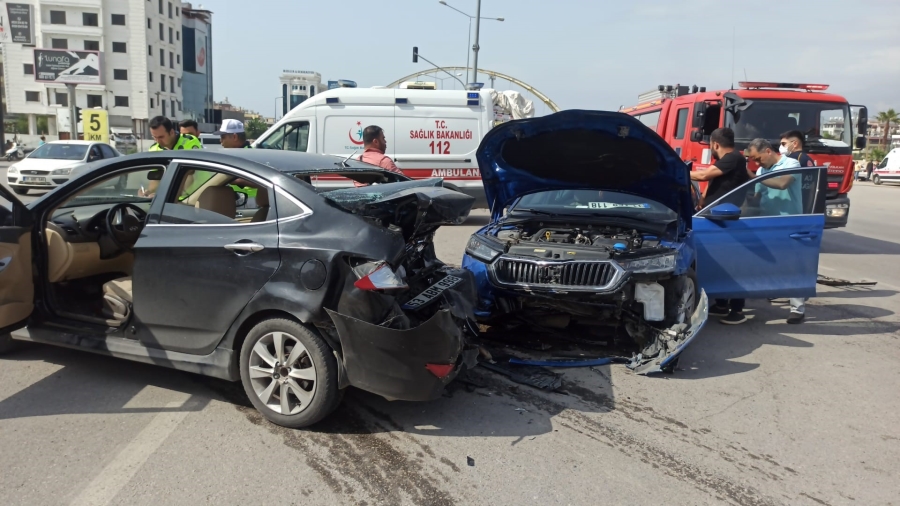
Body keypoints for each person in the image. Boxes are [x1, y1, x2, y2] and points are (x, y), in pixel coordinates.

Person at [690, 128, 751, 324]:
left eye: (711, 146)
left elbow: (703, 176)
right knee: (721, 262)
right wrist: (703, 200)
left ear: (715, 144)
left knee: (732, 263)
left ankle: (737, 308)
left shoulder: (734, 158)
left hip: (728, 219)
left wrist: (679, 170)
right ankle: (722, 303)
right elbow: (714, 181)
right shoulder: (727, 161)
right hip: (716, 218)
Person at [745, 138, 807, 324]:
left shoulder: (791, 163)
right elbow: (757, 197)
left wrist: (754, 177)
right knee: (769, 263)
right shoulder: (762, 170)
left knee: (793, 266)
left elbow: (782, 184)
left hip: (790, 223)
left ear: (768, 151)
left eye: (758, 158)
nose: (757, 163)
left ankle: (798, 308)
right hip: (767, 222)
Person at [140, 116, 203, 197]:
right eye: (154, 137)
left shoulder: (190, 141)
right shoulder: (154, 150)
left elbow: (189, 174)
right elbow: (156, 178)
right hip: (172, 199)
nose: (158, 141)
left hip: (197, 194)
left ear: (172, 132)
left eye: (161, 137)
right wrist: (148, 192)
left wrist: (167, 195)